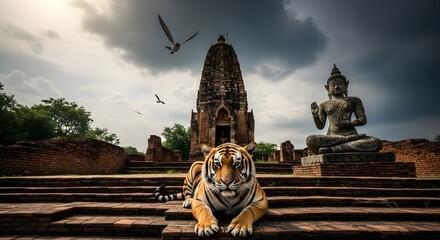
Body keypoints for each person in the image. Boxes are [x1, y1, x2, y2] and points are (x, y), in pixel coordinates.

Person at [306, 64, 382, 155]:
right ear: (327, 88)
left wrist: (350, 123)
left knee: (376, 142)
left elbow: (363, 120)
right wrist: (315, 115)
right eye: (333, 85)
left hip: (352, 135)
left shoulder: (354, 100)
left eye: (340, 84)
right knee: (311, 140)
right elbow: (320, 126)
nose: (336, 87)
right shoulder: (324, 105)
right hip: (332, 137)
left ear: (346, 85)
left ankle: (332, 150)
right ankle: (340, 146)